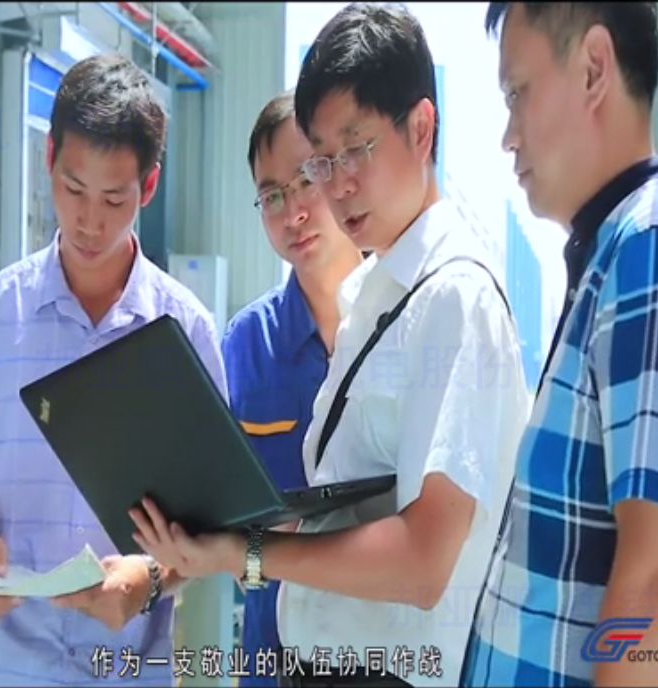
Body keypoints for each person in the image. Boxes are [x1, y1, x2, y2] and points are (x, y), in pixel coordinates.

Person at [129, 4, 531, 686]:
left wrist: (245, 553)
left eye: (355, 150)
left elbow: (423, 561)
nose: (335, 185)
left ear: (421, 129)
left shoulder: (452, 299)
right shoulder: (378, 297)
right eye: (322, 161)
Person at [461, 4, 658, 687]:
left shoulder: (656, 251)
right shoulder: (619, 253)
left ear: (594, 68)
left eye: (517, 93)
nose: (507, 135)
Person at [0, 53, 225, 687]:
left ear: (149, 186)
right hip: (8, 671)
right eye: (73, 189)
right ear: (49, 156)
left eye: (113, 198)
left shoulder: (185, 330)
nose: (88, 220)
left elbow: (211, 526)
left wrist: (151, 578)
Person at [225, 91, 363, 687]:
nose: (293, 213)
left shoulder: (405, 324)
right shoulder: (245, 346)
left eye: (306, 180)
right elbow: (225, 526)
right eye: (272, 196)